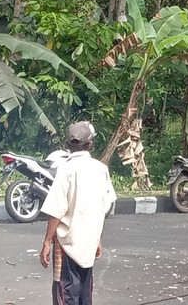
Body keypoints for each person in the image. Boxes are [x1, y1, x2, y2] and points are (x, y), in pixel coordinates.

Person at [39, 121, 116, 305]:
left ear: (67, 145)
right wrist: (97, 239)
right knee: (84, 293)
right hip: (88, 243)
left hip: (67, 244)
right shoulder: (101, 169)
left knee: (65, 293)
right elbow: (101, 207)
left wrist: (47, 241)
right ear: (90, 145)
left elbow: (56, 210)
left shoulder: (66, 169)